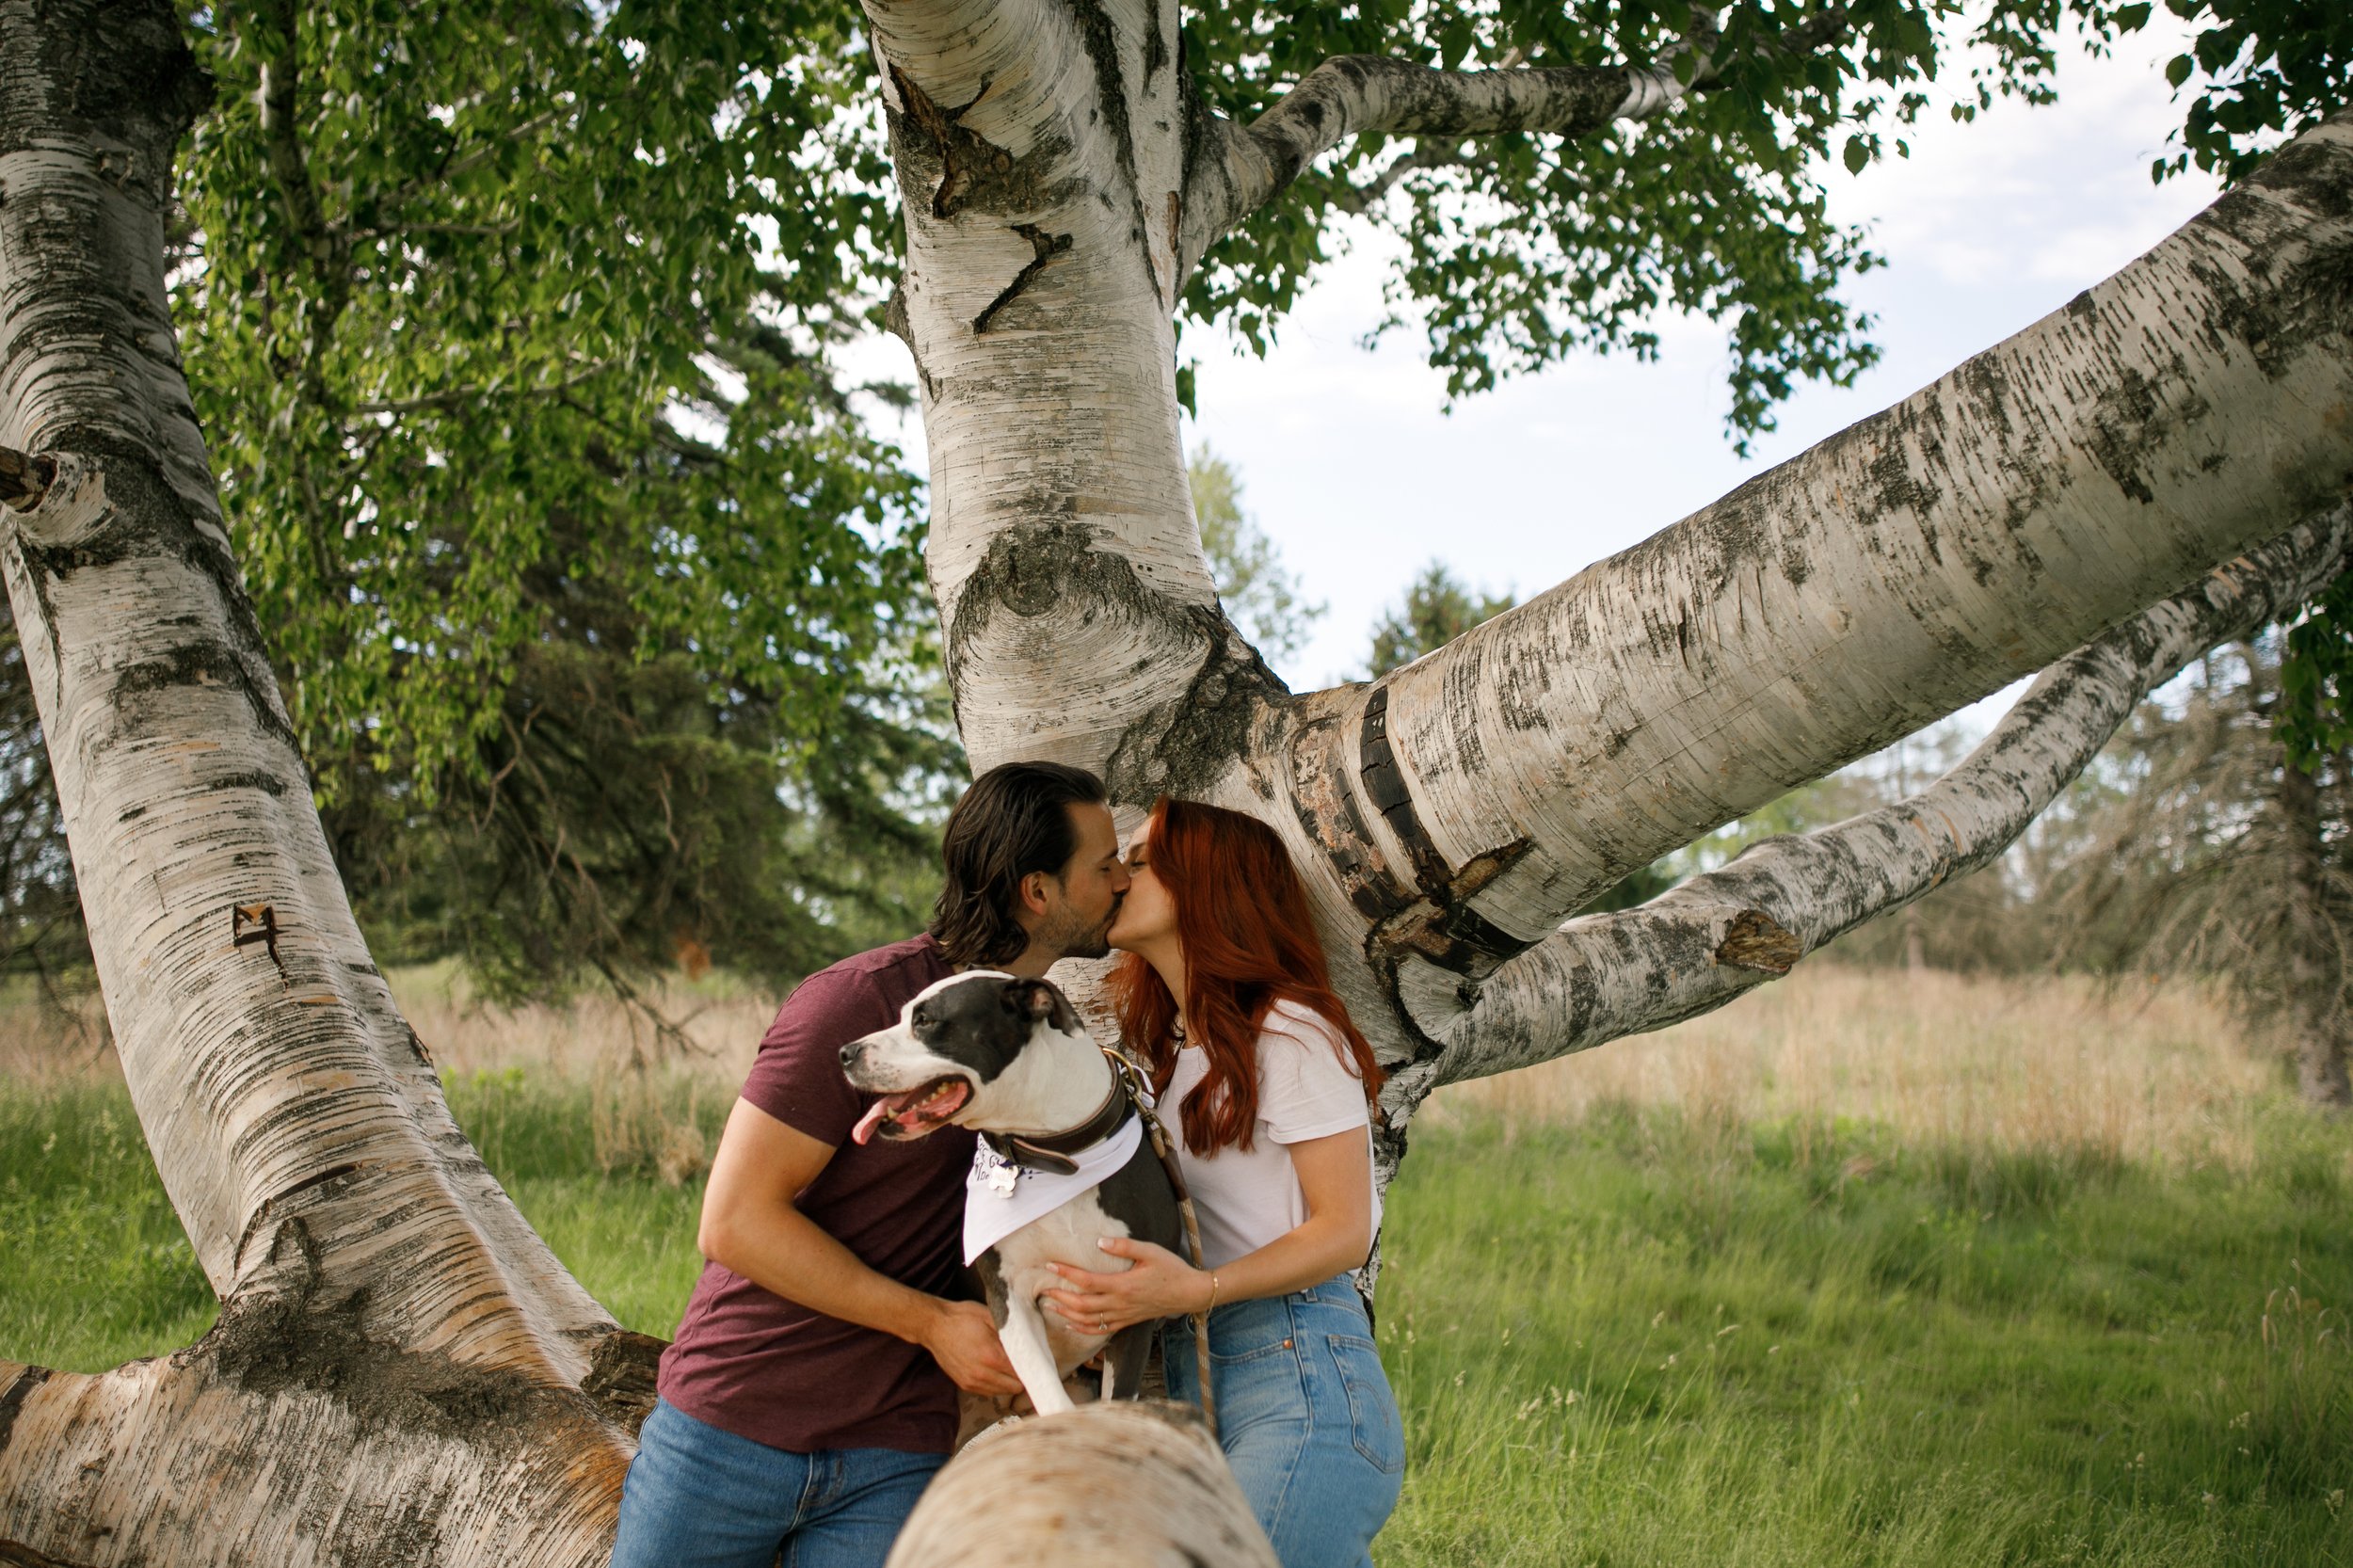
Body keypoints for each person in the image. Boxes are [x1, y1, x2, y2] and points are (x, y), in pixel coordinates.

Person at [609, 760, 1132, 1568]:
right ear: (1039, 891)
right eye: (1105, 866)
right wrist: (931, 1325)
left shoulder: (1056, 1050)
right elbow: (734, 1222)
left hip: (897, 1451)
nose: (1122, 879)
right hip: (735, 1422)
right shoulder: (856, 1005)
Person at [1040, 797, 1404, 1568]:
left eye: (1140, 862)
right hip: (1195, 1377)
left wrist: (1194, 1293)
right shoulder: (1175, 1060)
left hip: (1296, 1369)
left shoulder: (1294, 1030)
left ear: (1204, 886)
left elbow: (1345, 1231)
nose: (1117, 876)